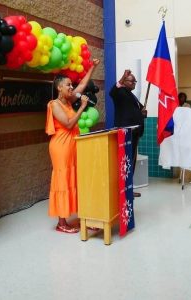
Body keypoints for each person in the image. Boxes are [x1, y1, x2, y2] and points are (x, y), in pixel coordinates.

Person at [45, 58, 100, 233]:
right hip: (61, 147)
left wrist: (93, 67)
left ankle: (83, 216)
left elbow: (82, 85)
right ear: (59, 87)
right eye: (68, 85)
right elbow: (68, 124)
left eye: (71, 85)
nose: (71, 87)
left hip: (73, 145)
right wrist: (83, 106)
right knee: (63, 181)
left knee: (76, 179)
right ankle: (61, 223)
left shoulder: (68, 101)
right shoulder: (54, 104)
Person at [109, 69, 147, 197]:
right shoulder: (119, 92)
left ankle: (128, 188)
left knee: (131, 161)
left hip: (134, 134)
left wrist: (142, 114)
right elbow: (112, 92)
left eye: (135, 81)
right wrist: (121, 77)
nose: (134, 83)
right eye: (132, 81)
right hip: (125, 133)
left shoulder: (132, 95)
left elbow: (136, 111)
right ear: (124, 82)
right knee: (125, 162)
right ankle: (123, 190)